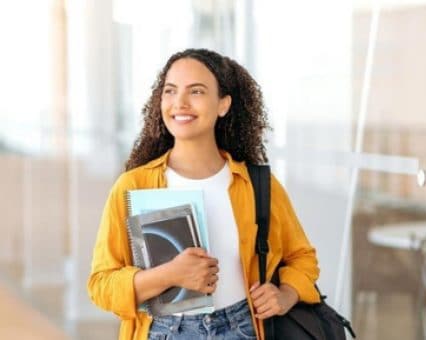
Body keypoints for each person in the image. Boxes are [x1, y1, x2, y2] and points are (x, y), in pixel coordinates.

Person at [87, 48, 320, 340]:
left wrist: (286, 294)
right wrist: (171, 274)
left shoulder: (257, 184)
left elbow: (302, 257)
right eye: (170, 91)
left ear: (223, 104)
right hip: (163, 332)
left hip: (244, 328)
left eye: (196, 91)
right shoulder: (133, 186)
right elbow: (101, 284)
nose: (180, 103)